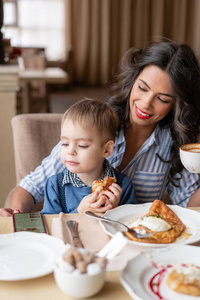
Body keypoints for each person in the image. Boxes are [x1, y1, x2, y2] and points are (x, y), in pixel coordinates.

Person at [1, 39, 200, 217]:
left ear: (176, 104)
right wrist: (15, 217)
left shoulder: (175, 144)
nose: (146, 104)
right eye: (142, 88)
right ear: (132, 82)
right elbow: (29, 188)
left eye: (162, 99)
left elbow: (190, 207)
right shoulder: (95, 125)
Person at [41, 99, 137, 214]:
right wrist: (79, 213)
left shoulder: (123, 186)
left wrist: (115, 211)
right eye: (65, 143)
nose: (70, 151)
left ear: (106, 149)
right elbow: (51, 227)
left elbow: (132, 225)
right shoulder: (54, 185)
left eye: (82, 145)